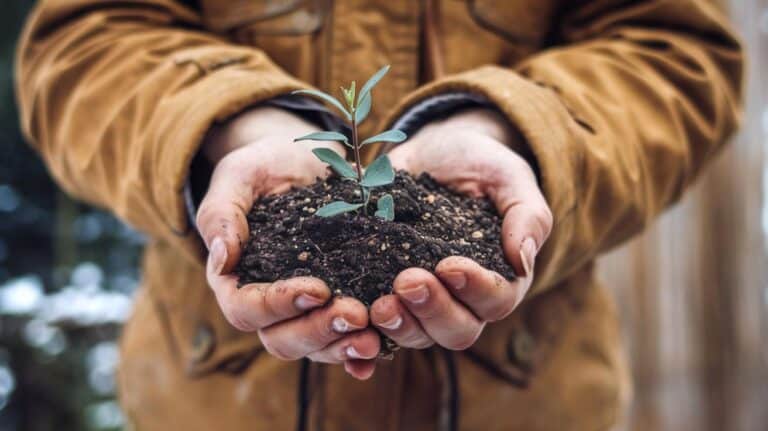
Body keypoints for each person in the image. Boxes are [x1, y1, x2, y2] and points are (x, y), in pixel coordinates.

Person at [15, 0, 743, 430]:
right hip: (214, 400)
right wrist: (232, 126)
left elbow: (676, 54)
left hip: (530, 398)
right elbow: (85, 42)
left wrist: (510, 130)